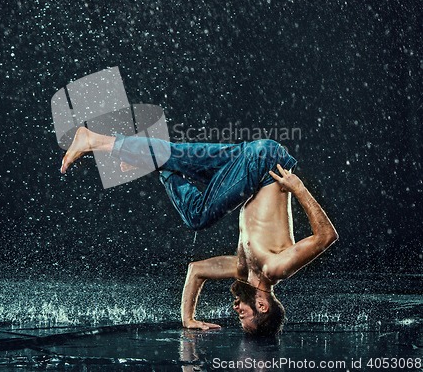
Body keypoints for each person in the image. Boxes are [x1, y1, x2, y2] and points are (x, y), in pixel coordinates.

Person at [61, 127, 338, 336]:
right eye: (244, 316)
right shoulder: (276, 268)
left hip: (253, 163)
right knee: (196, 214)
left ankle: (149, 158)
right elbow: (326, 236)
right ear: (263, 307)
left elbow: (196, 270)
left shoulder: (244, 269)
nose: (236, 310)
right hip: (265, 165)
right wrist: (299, 189)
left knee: (175, 157)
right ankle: (95, 141)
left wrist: (188, 318)